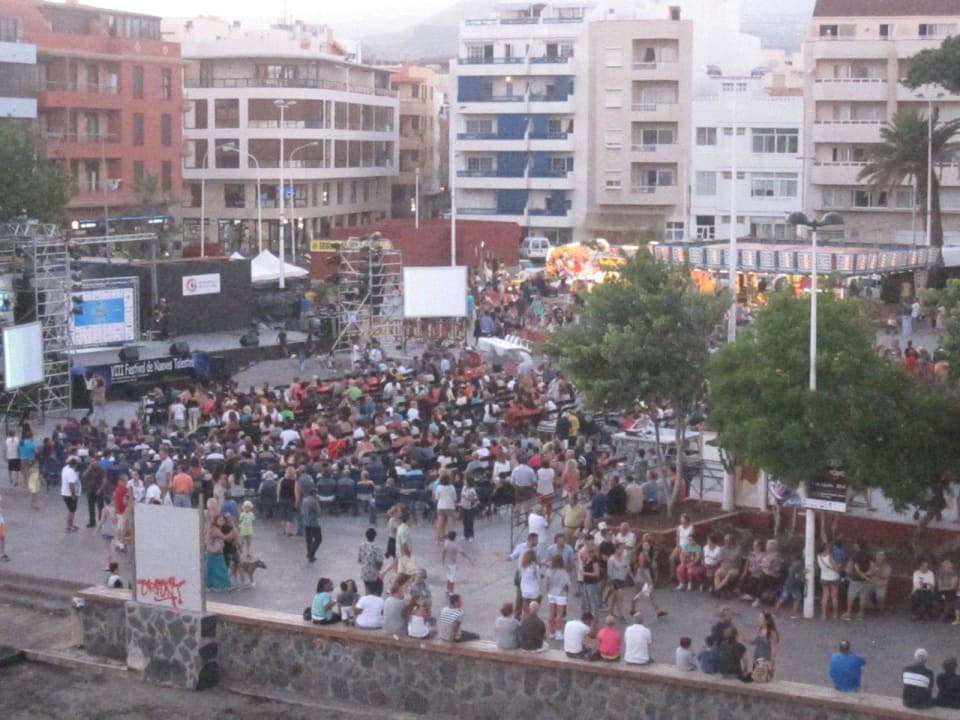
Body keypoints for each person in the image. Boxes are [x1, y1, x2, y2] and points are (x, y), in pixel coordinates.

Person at [442, 530, 474, 595]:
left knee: (448, 576)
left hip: (446, 563)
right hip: (452, 564)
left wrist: (443, 559)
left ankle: (448, 590)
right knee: (452, 578)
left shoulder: (446, 543)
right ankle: (451, 592)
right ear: (455, 537)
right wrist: (470, 560)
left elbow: (443, 552)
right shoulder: (455, 546)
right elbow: (463, 553)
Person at [358, 527, 385, 596]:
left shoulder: (361, 546)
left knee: (367, 589)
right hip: (374, 572)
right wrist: (379, 570)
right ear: (375, 536)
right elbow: (379, 561)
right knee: (376, 591)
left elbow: (360, 560)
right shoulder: (377, 547)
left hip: (364, 572)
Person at [817, 543, 841, 620]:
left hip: (824, 577)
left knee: (825, 596)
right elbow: (836, 567)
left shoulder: (818, 556)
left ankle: (823, 615)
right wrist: (839, 568)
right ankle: (835, 614)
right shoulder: (829, 556)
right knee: (834, 596)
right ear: (826, 548)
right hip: (833, 577)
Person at [301, 485, 322, 563]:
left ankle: (309, 553)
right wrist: (318, 502)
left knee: (309, 539)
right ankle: (311, 554)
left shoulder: (304, 499)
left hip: (306, 521)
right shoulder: (314, 501)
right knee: (318, 539)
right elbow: (318, 513)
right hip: (314, 523)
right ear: (315, 494)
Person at [60, 456, 81, 533]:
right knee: (71, 511)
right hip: (69, 494)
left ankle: (71, 524)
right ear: (75, 465)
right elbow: (71, 484)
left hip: (64, 492)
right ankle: (69, 527)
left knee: (71, 510)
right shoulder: (71, 472)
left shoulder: (65, 468)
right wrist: (73, 495)